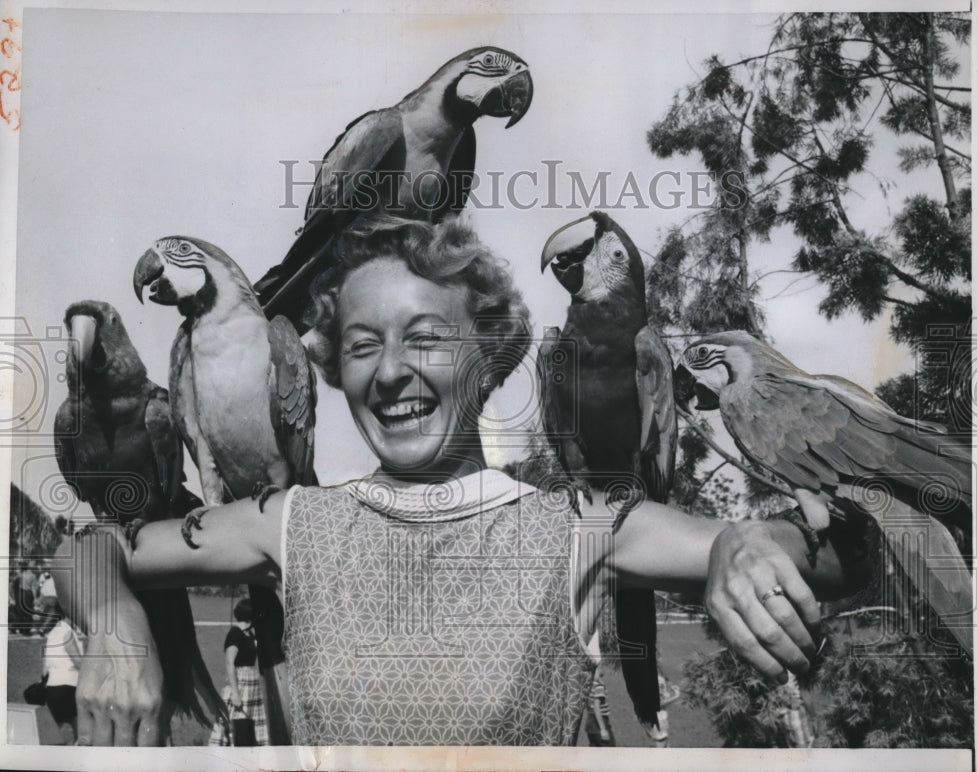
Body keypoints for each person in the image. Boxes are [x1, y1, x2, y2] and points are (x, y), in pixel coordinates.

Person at [56, 217, 860, 746]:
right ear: (333, 369)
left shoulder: (573, 524)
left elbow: (832, 552)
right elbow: (90, 551)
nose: (393, 370)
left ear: (489, 358)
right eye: (364, 345)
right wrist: (114, 620)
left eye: (427, 337)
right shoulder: (291, 523)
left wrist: (744, 543)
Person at [209, 598, 269, 746]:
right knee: (238, 723)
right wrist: (235, 693)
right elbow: (230, 663)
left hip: (252, 684)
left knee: (251, 726)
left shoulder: (250, 634)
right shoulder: (235, 633)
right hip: (240, 683)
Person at [41, 602, 83, 744]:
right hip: (69, 685)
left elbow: (44, 668)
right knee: (79, 735)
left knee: (60, 736)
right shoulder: (67, 632)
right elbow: (77, 661)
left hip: (53, 686)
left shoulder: (53, 633)